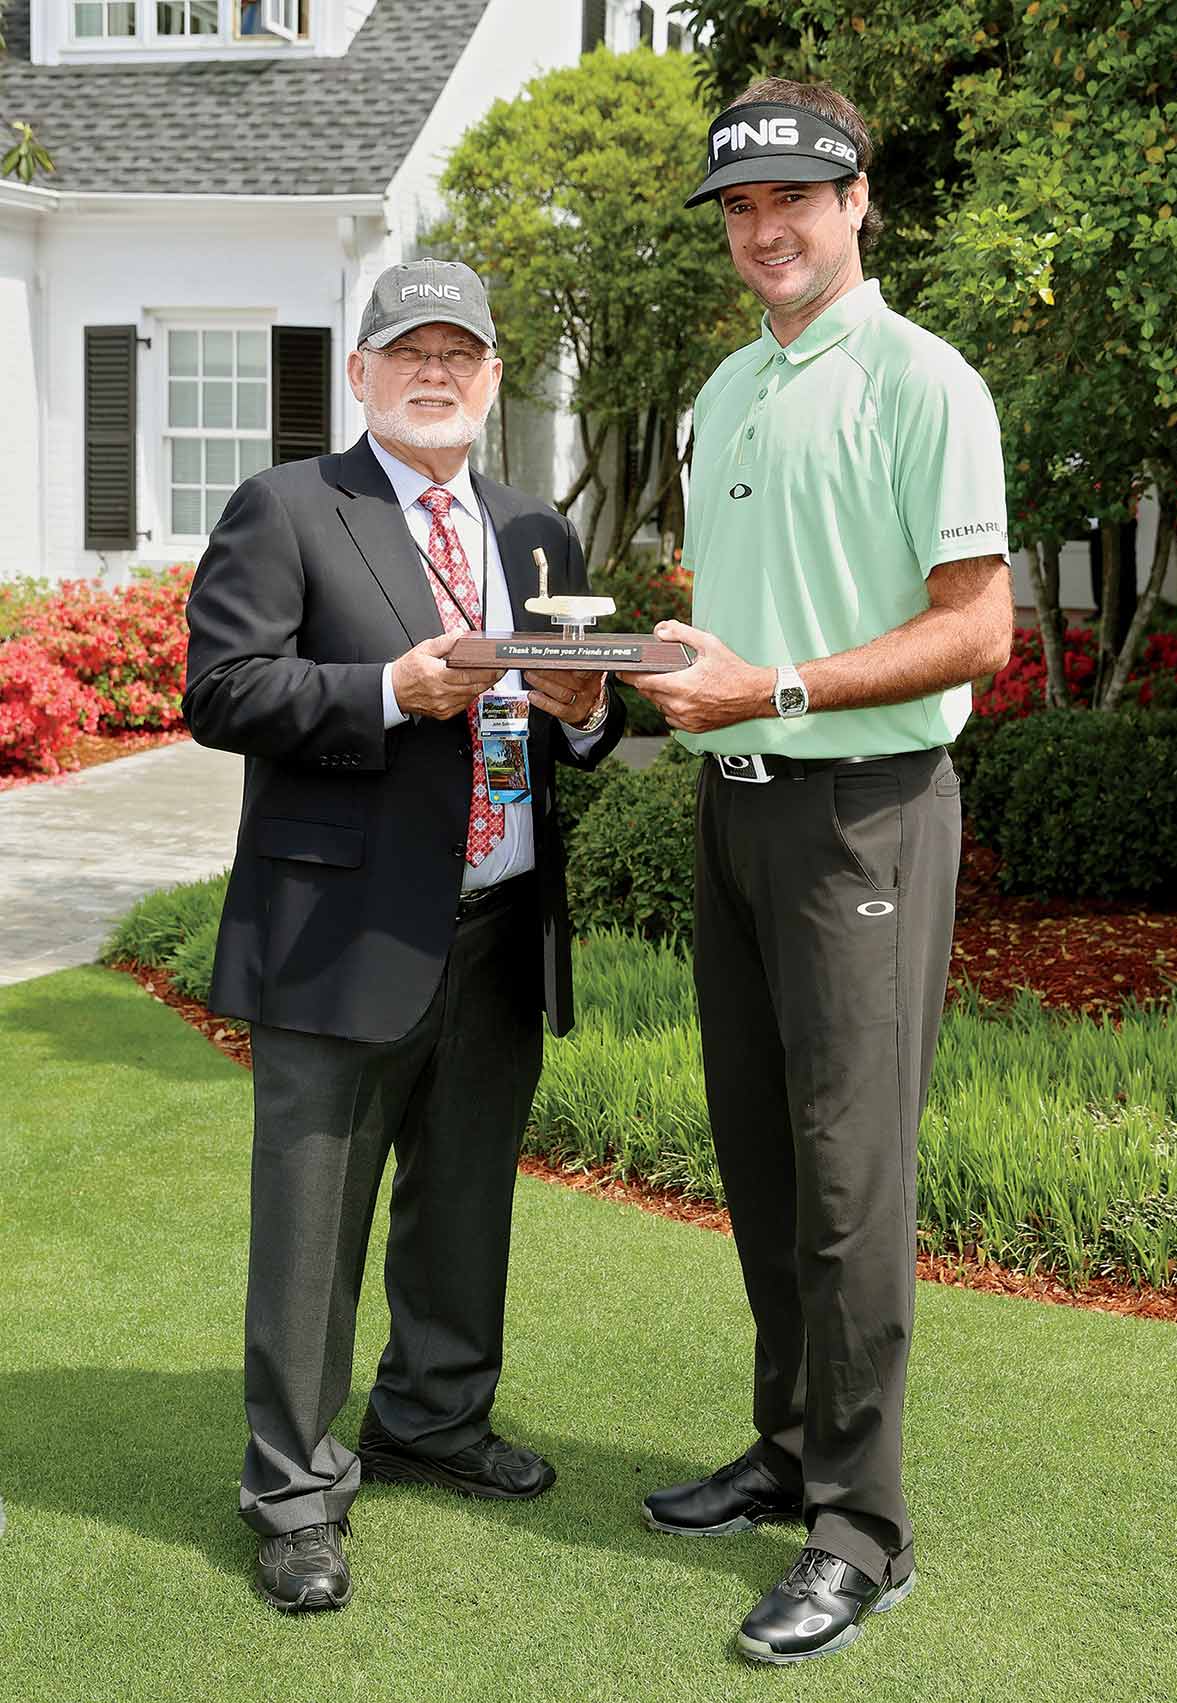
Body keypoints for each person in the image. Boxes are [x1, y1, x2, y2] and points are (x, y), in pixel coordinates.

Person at [623, 81, 1012, 1665]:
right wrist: (657, 666)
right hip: (734, 810)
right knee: (766, 1160)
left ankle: (863, 1531)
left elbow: (978, 630)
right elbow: (743, 611)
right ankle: (790, 1451)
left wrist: (771, 689)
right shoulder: (724, 389)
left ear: (860, 202)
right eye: (739, 206)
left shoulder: (925, 381)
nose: (765, 229)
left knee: (850, 1183)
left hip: (866, 814)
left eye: (794, 196)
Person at [183, 258, 624, 1612]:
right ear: (362, 371)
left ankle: (433, 1416)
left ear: (491, 379)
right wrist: (388, 689)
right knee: (312, 1224)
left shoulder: (535, 531)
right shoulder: (288, 509)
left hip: (499, 917)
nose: (436, 373)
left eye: (461, 354)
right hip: (340, 925)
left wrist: (590, 714)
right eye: (409, 351)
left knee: (467, 1196)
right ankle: (294, 1491)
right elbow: (224, 690)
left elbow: (581, 717)